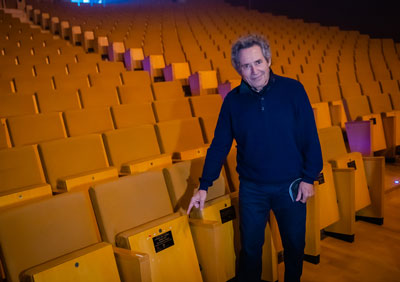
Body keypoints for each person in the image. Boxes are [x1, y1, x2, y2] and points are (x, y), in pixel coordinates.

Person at [187, 34, 323, 282]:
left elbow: (310, 137)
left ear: (269, 60)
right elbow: (219, 145)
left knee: (294, 246)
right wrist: (204, 185)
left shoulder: (293, 90)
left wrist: (308, 177)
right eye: (246, 65)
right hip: (252, 189)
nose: (254, 70)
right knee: (250, 251)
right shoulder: (232, 101)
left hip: (291, 185)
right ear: (238, 68)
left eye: (258, 62)